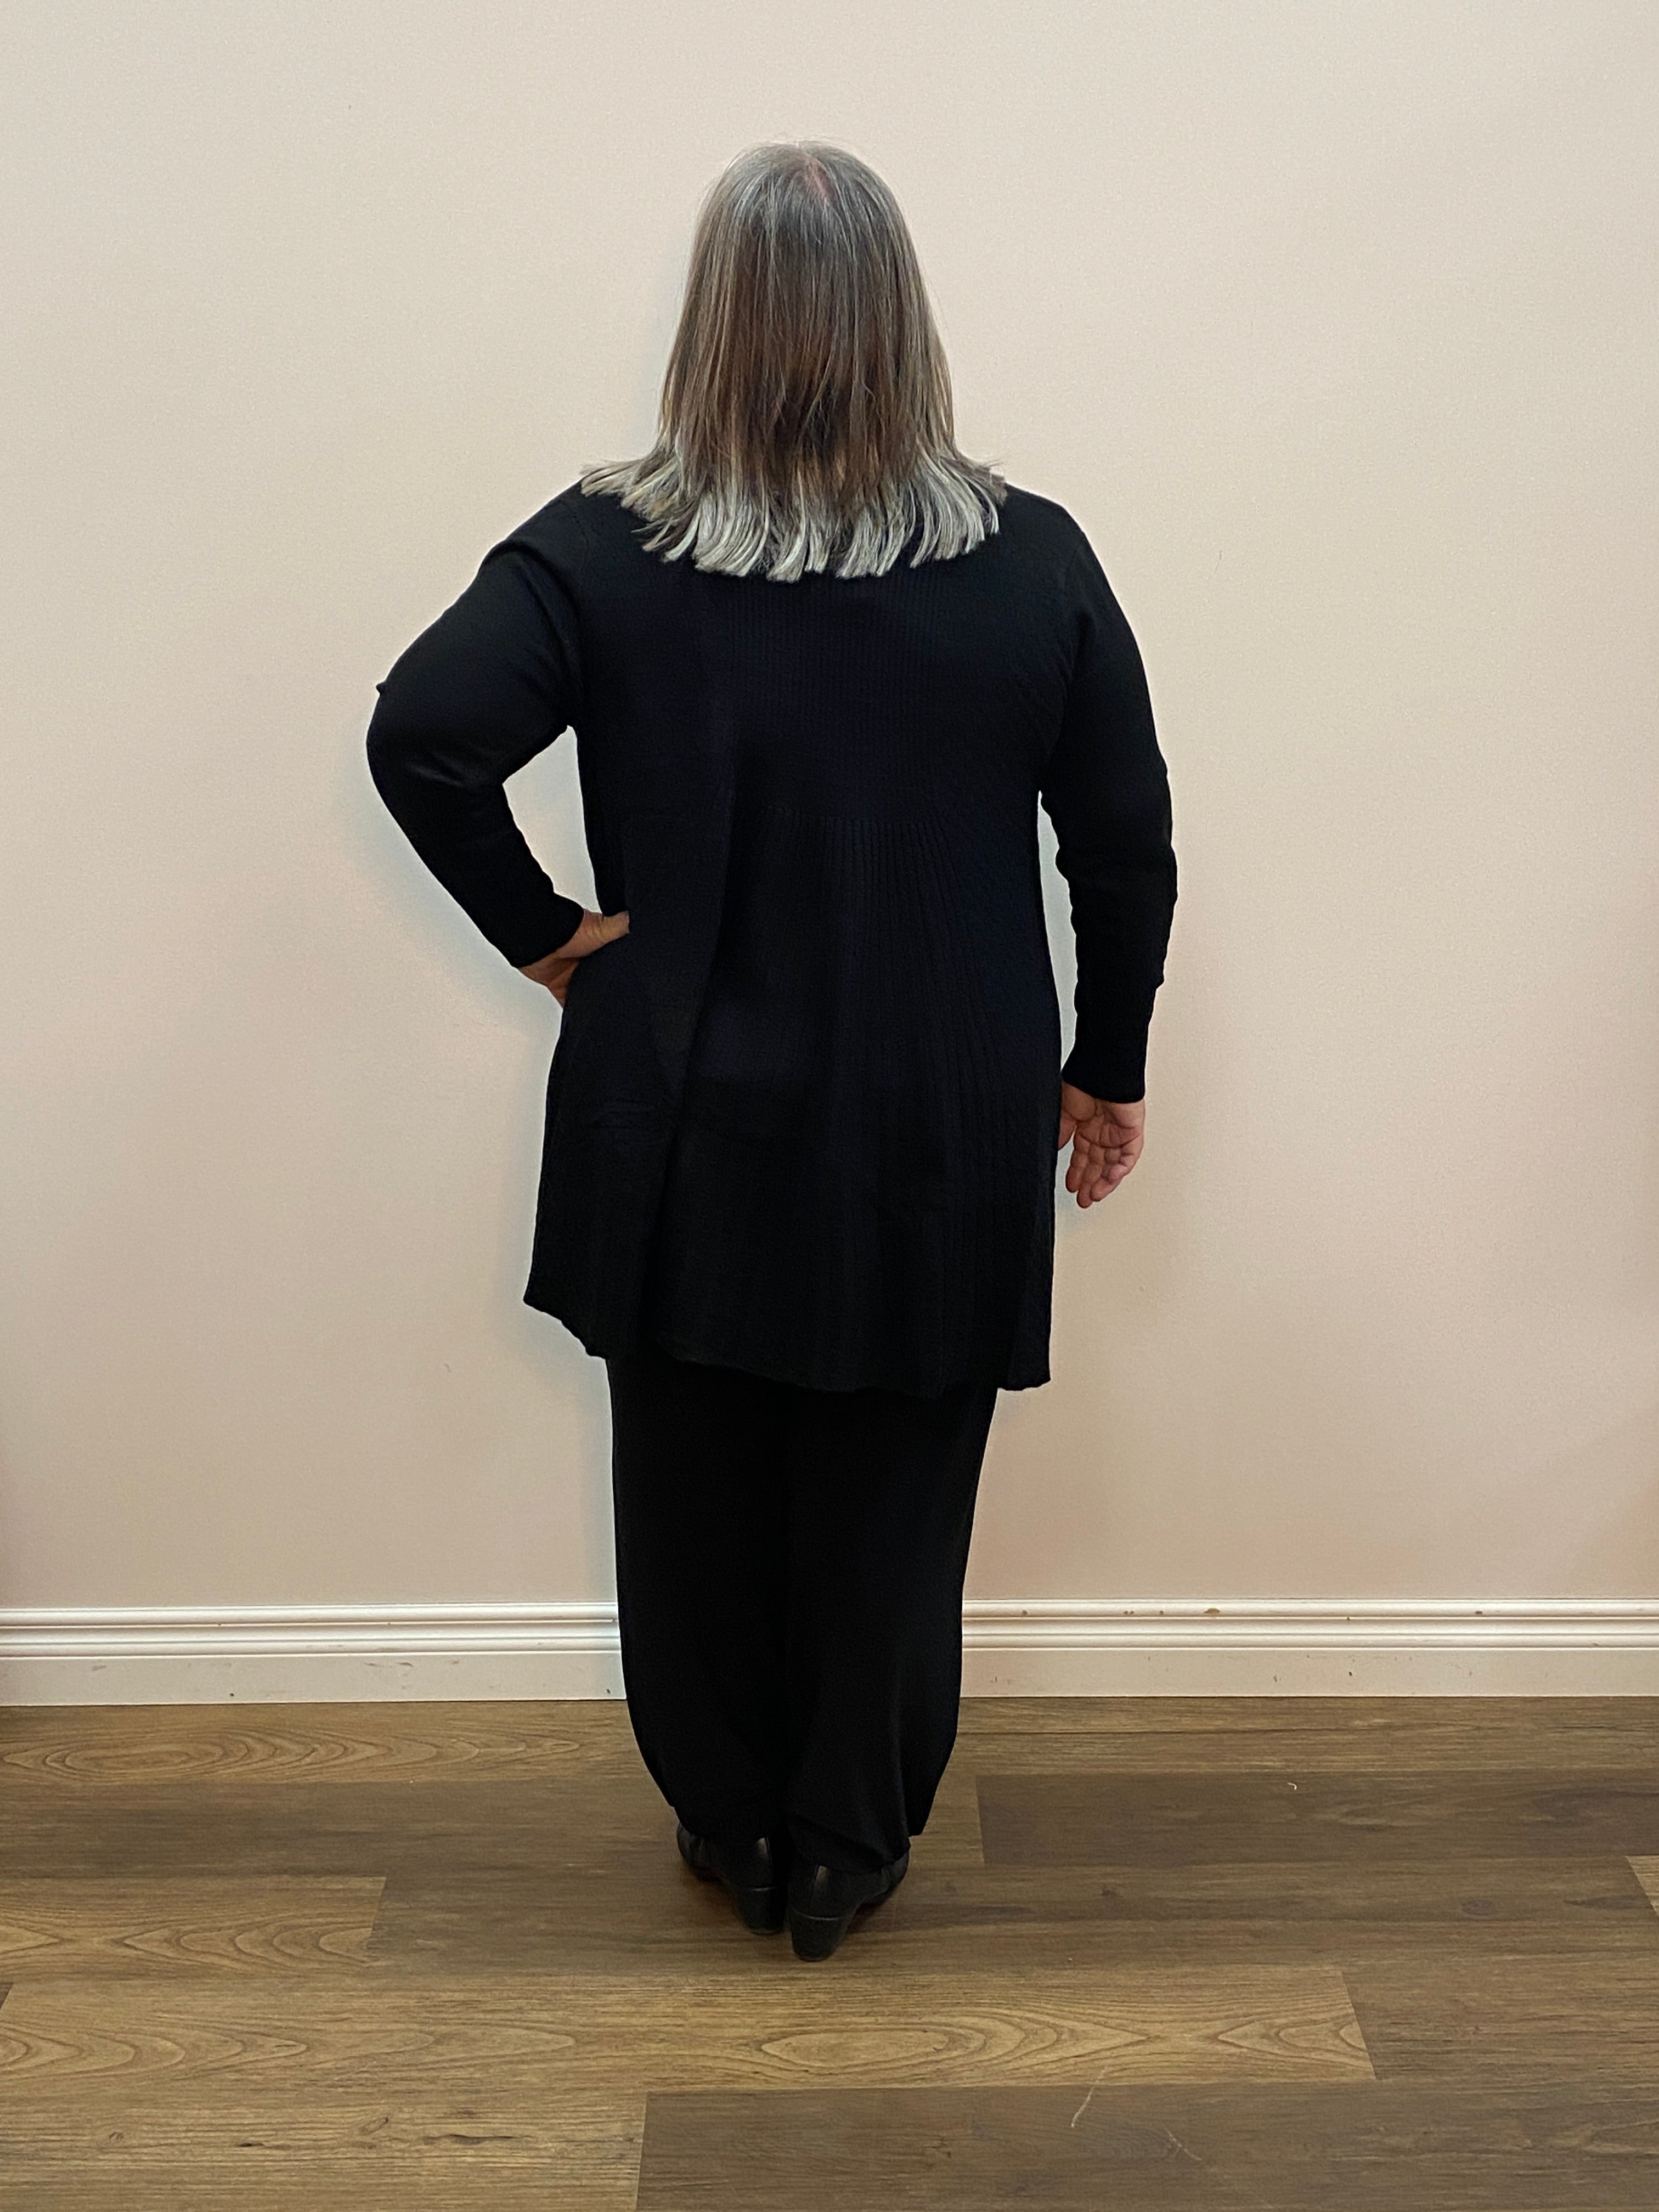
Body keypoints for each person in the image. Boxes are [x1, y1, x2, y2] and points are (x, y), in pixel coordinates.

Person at [365, 139, 1177, 1961]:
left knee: (696, 1472)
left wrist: (551, 942)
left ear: (709, 325)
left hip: (688, 1105)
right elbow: (1124, 845)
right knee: (896, 1482)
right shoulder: (1030, 558)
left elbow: (424, 732)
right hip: (942, 1105)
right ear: (905, 322)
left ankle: (728, 1821)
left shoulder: (599, 548)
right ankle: (845, 1844)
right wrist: (1103, 1064)